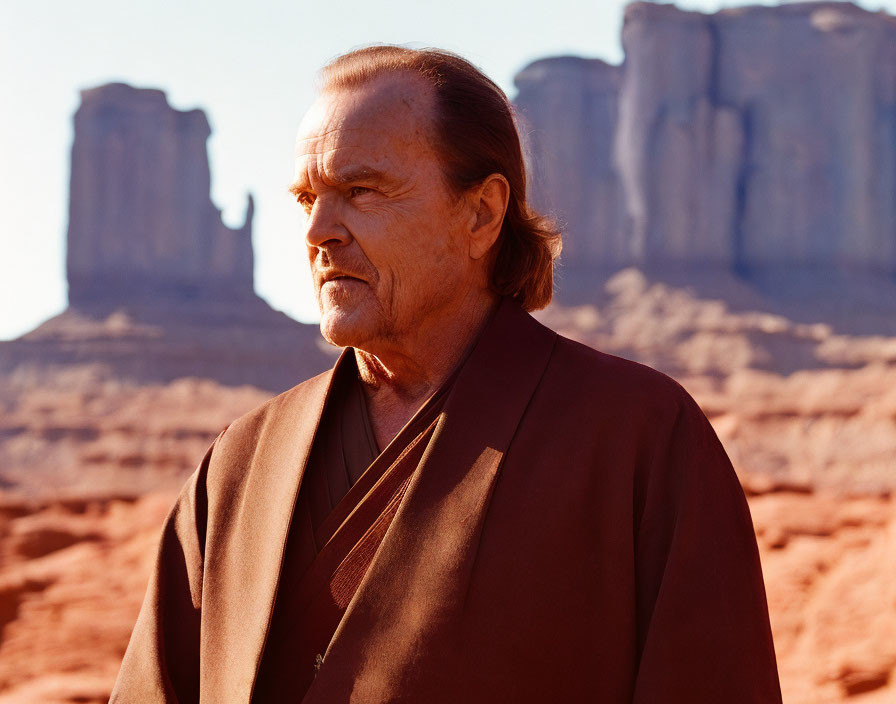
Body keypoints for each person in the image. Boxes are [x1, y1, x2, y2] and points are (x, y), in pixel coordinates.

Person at [111, 46, 782, 703]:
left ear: (483, 213)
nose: (318, 230)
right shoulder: (242, 462)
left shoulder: (638, 436)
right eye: (306, 197)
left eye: (361, 190)